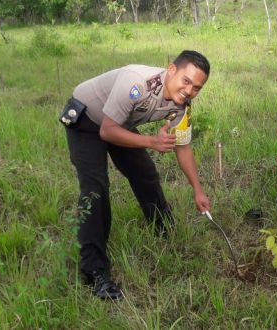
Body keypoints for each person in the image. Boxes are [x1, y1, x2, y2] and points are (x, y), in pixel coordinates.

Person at [61, 50, 211, 300]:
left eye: (196, 88)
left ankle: (164, 230)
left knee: (146, 173)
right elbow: (107, 132)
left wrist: (198, 190)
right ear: (171, 69)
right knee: (95, 189)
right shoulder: (137, 82)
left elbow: (182, 147)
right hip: (87, 122)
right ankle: (95, 271)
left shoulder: (182, 106)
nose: (189, 91)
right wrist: (151, 141)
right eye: (186, 81)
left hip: (120, 124)